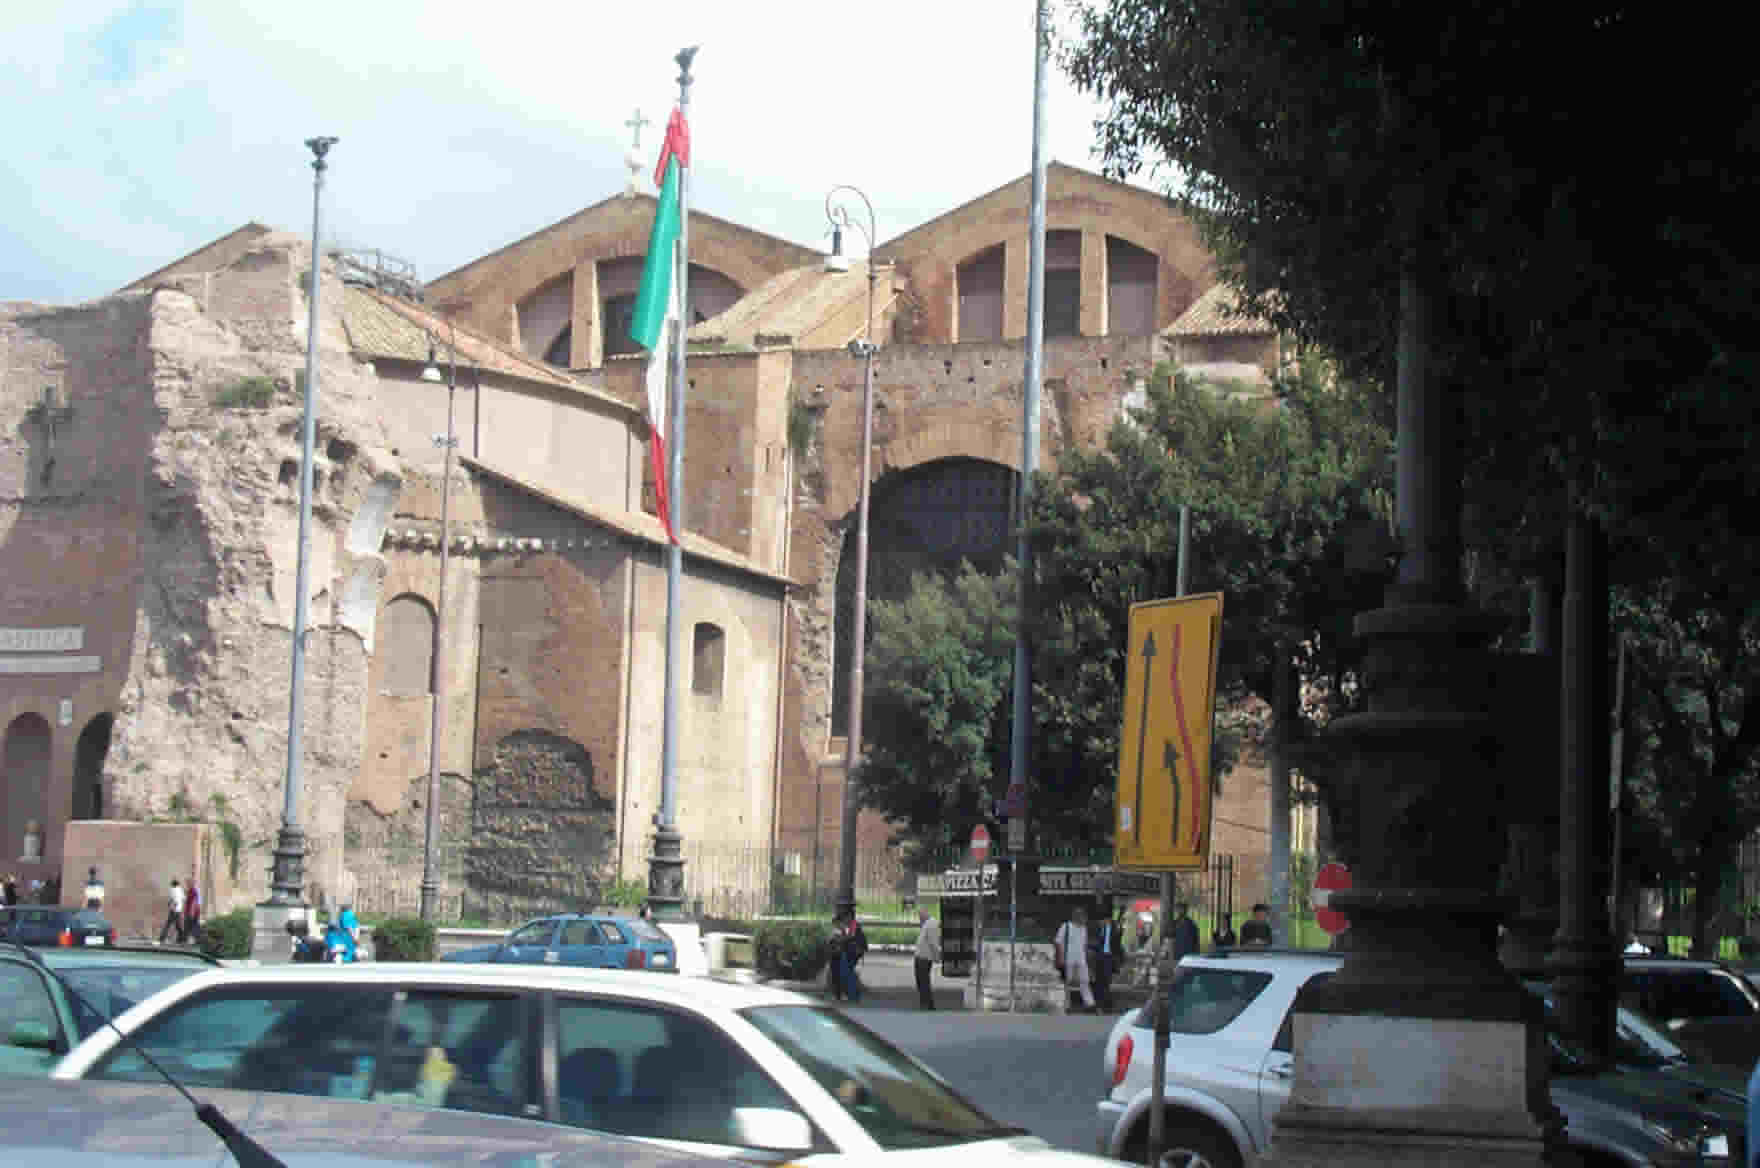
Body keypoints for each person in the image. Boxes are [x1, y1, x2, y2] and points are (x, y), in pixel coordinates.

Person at [1056, 906, 1096, 1012]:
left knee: (1084, 981)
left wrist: (1087, 959)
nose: (1085, 919)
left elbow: (1084, 944)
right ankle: (1066, 1005)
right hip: (1068, 958)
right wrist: (1061, 957)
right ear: (1077, 917)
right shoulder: (1066, 926)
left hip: (1081, 959)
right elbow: (1059, 942)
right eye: (1083, 917)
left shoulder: (1084, 928)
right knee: (1066, 982)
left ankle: (1090, 1004)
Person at [1090, 906, 1126, 1012]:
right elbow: (1094, 942)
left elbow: (1118, 942)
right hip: (1099, 957)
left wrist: (1120, 925)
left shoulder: (1115, 928)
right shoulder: (1098, 928)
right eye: (1103, 920)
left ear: (1110, 920)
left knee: (1106, 981)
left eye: (1107, 920)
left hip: (1109, 958)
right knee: (1098, 982)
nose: (1104, 922)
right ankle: (1100, 1004)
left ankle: (1105, 1005)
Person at [913, 907, 941, 1010]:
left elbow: (933, 943)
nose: (919, 918)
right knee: (921, 981)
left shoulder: (932, 924)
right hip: (921, 957)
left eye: (920, 915)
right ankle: (925, 1002)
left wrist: (937, 957)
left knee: (924, 982)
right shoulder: (927, 924)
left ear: (925, 914)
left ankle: (928, 1004)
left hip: (924, 958)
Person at [839, 914, 868, 1004]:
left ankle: (854, 995)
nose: (844, 921)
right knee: (848, 972)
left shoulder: (854, 924)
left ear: (849, 917)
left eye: (845, 919)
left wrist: (841, 937)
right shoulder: (852, 925)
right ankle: (853, 995)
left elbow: (850, 937)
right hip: (853, 952)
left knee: (847, 973)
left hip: (854, 952)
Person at [159, 878, 186, 943]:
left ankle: (162, 938)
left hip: (174, 910)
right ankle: (182, 938)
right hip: (179, 910)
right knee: (178, 925)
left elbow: (175, 900)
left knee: (168, 924)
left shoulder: (173, 890)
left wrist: (172, 906)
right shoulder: (180, 890)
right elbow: (183, 898)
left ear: (173, 885)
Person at [183, 876, 203, 946]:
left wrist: (191, 912)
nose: (187, 884)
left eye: (188, 883)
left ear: (191, 883)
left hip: (193, 912)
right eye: (187, 883)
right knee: (192, 926)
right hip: (191, 912)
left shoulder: (193, 891)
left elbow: (194, 902)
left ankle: (191, 940)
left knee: (191, 926)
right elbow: (187, 901)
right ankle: (193, 940)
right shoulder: (190, 890)